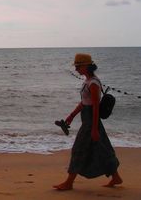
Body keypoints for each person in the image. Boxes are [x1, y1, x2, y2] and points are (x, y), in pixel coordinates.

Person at [53, 53, 123, 191]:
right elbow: (85, 102)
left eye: (78, 66)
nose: (76, 69)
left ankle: (69, 182)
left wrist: (94, 128)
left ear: (86, 66)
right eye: (76, 66)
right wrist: (72, 115)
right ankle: (116, 177)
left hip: (91, 120)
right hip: (88, 117)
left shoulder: (94, 83)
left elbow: (95, 106)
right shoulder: (87, 81)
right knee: (102, 149)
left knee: (78, 149)